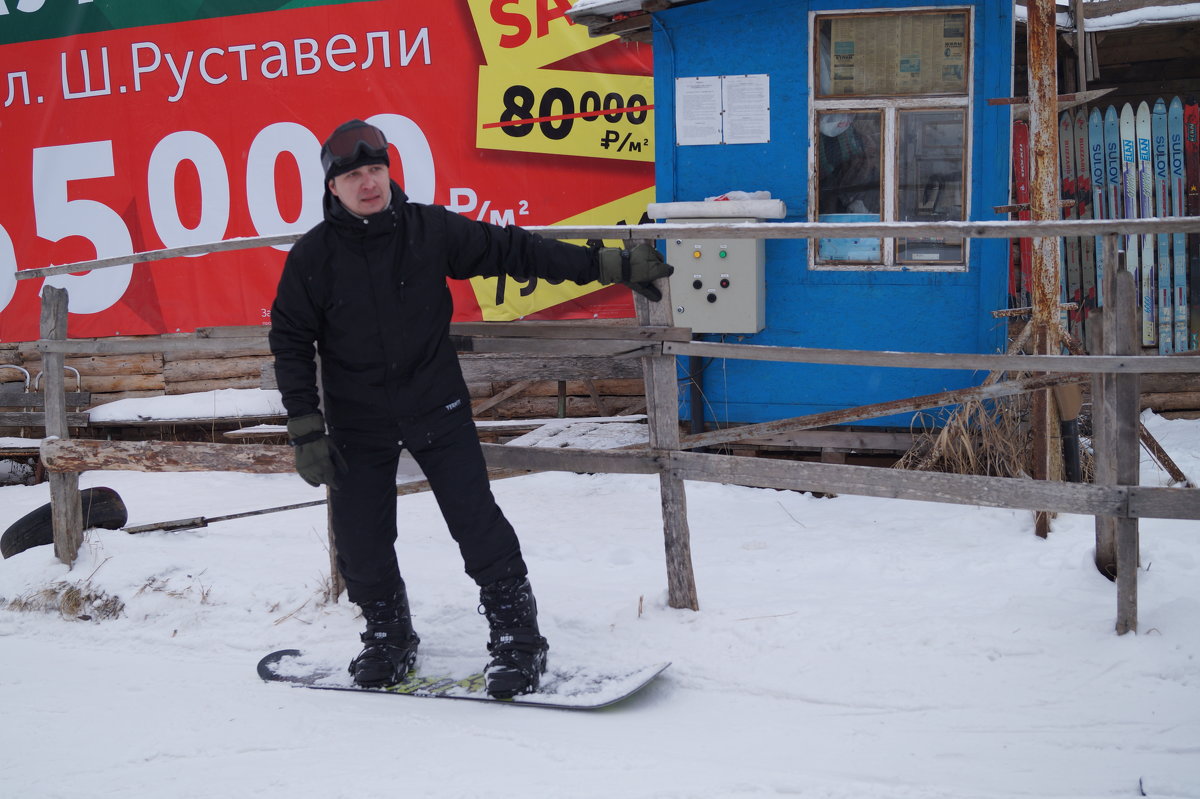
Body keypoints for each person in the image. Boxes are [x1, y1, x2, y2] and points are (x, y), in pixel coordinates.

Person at [268, 119, 673, 698]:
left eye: (375, 170)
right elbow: (290, 340)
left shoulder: (427, 230)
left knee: (475, 523)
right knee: (360, 537)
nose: (368, 184)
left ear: (389, 173)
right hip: (359, 419)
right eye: (354, 175)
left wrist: (607, 266)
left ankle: (518, 639)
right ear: (333, 188)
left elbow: (516, 250)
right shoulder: (313, 258)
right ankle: (387, 636)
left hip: (437, 404)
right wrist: (306, 425)